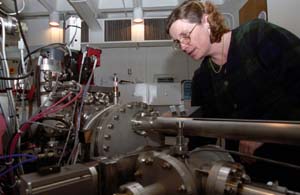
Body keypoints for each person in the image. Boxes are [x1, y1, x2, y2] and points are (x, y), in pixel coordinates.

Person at [166, 0, 300, 191]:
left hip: (292, 160)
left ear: (207, 21)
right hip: (246, 176)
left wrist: (262, 132)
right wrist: (178, 149)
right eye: (178, 43)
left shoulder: (257, 36)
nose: (184, 47)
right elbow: (205, 129)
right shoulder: (202, 76)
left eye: (185, 36)